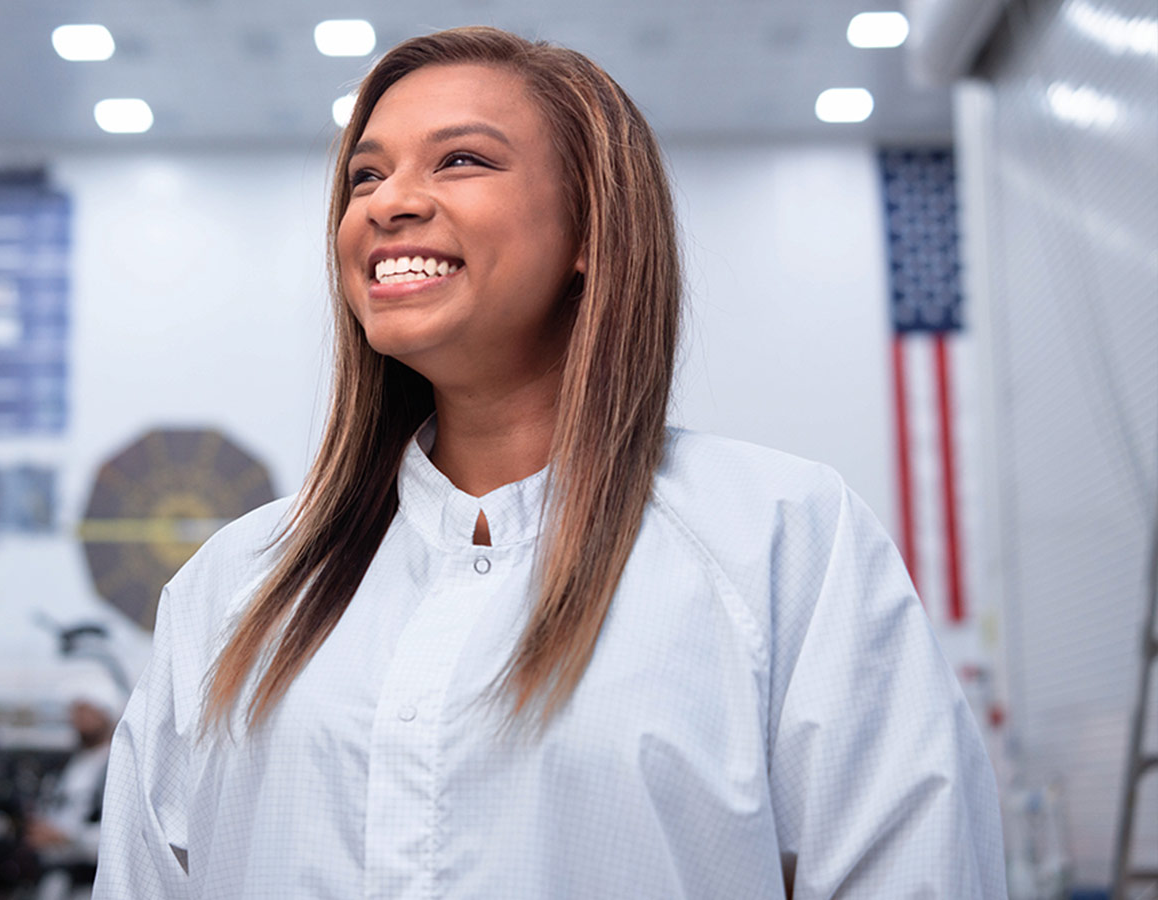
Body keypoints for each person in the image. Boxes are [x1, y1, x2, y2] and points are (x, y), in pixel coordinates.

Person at [92, 26, 1007, 899]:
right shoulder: (236, 587)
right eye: (365, 174)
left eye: (462, 159)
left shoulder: (780, 543)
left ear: (589, 231)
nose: (385, 201)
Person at [28, 669, 125, 865]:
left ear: (105, 713)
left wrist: (69, 838)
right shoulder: (69, 764)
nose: (77, 718)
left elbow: (123, 833)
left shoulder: (118, 766)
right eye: (74, 710)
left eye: (86, 709)